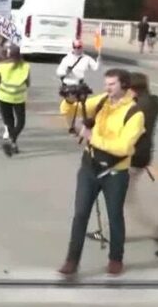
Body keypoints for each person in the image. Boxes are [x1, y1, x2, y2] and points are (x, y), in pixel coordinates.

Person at [58, 69, 145, 277]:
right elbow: (71, 114)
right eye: (106, 84)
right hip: (90, 166)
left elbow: (123, 147)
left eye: (112, 84)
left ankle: (116, 258)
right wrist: (70, 101)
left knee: (115, 215)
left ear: (124, 85)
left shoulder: (135, 113)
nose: (107, 88)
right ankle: (72, 260)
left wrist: (91, 137)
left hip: (115, 171)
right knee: (80, 214)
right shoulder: (101, 102)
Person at [126, 73, 158, 257]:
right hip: (144, 154)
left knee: (126, 201)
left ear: (132, 89)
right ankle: (116, 232)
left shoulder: (137, 108)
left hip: (132, 156)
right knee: (117, 196)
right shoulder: (155, 101)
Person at [0, 45, 30, 157]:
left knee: (9, 120)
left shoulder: (1, 66)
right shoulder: (25, 66)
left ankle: (11, 141)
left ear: (8, 55)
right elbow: (28, 83)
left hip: (4, 96)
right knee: (21, 122)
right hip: (19, 97)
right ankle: (13, 142)